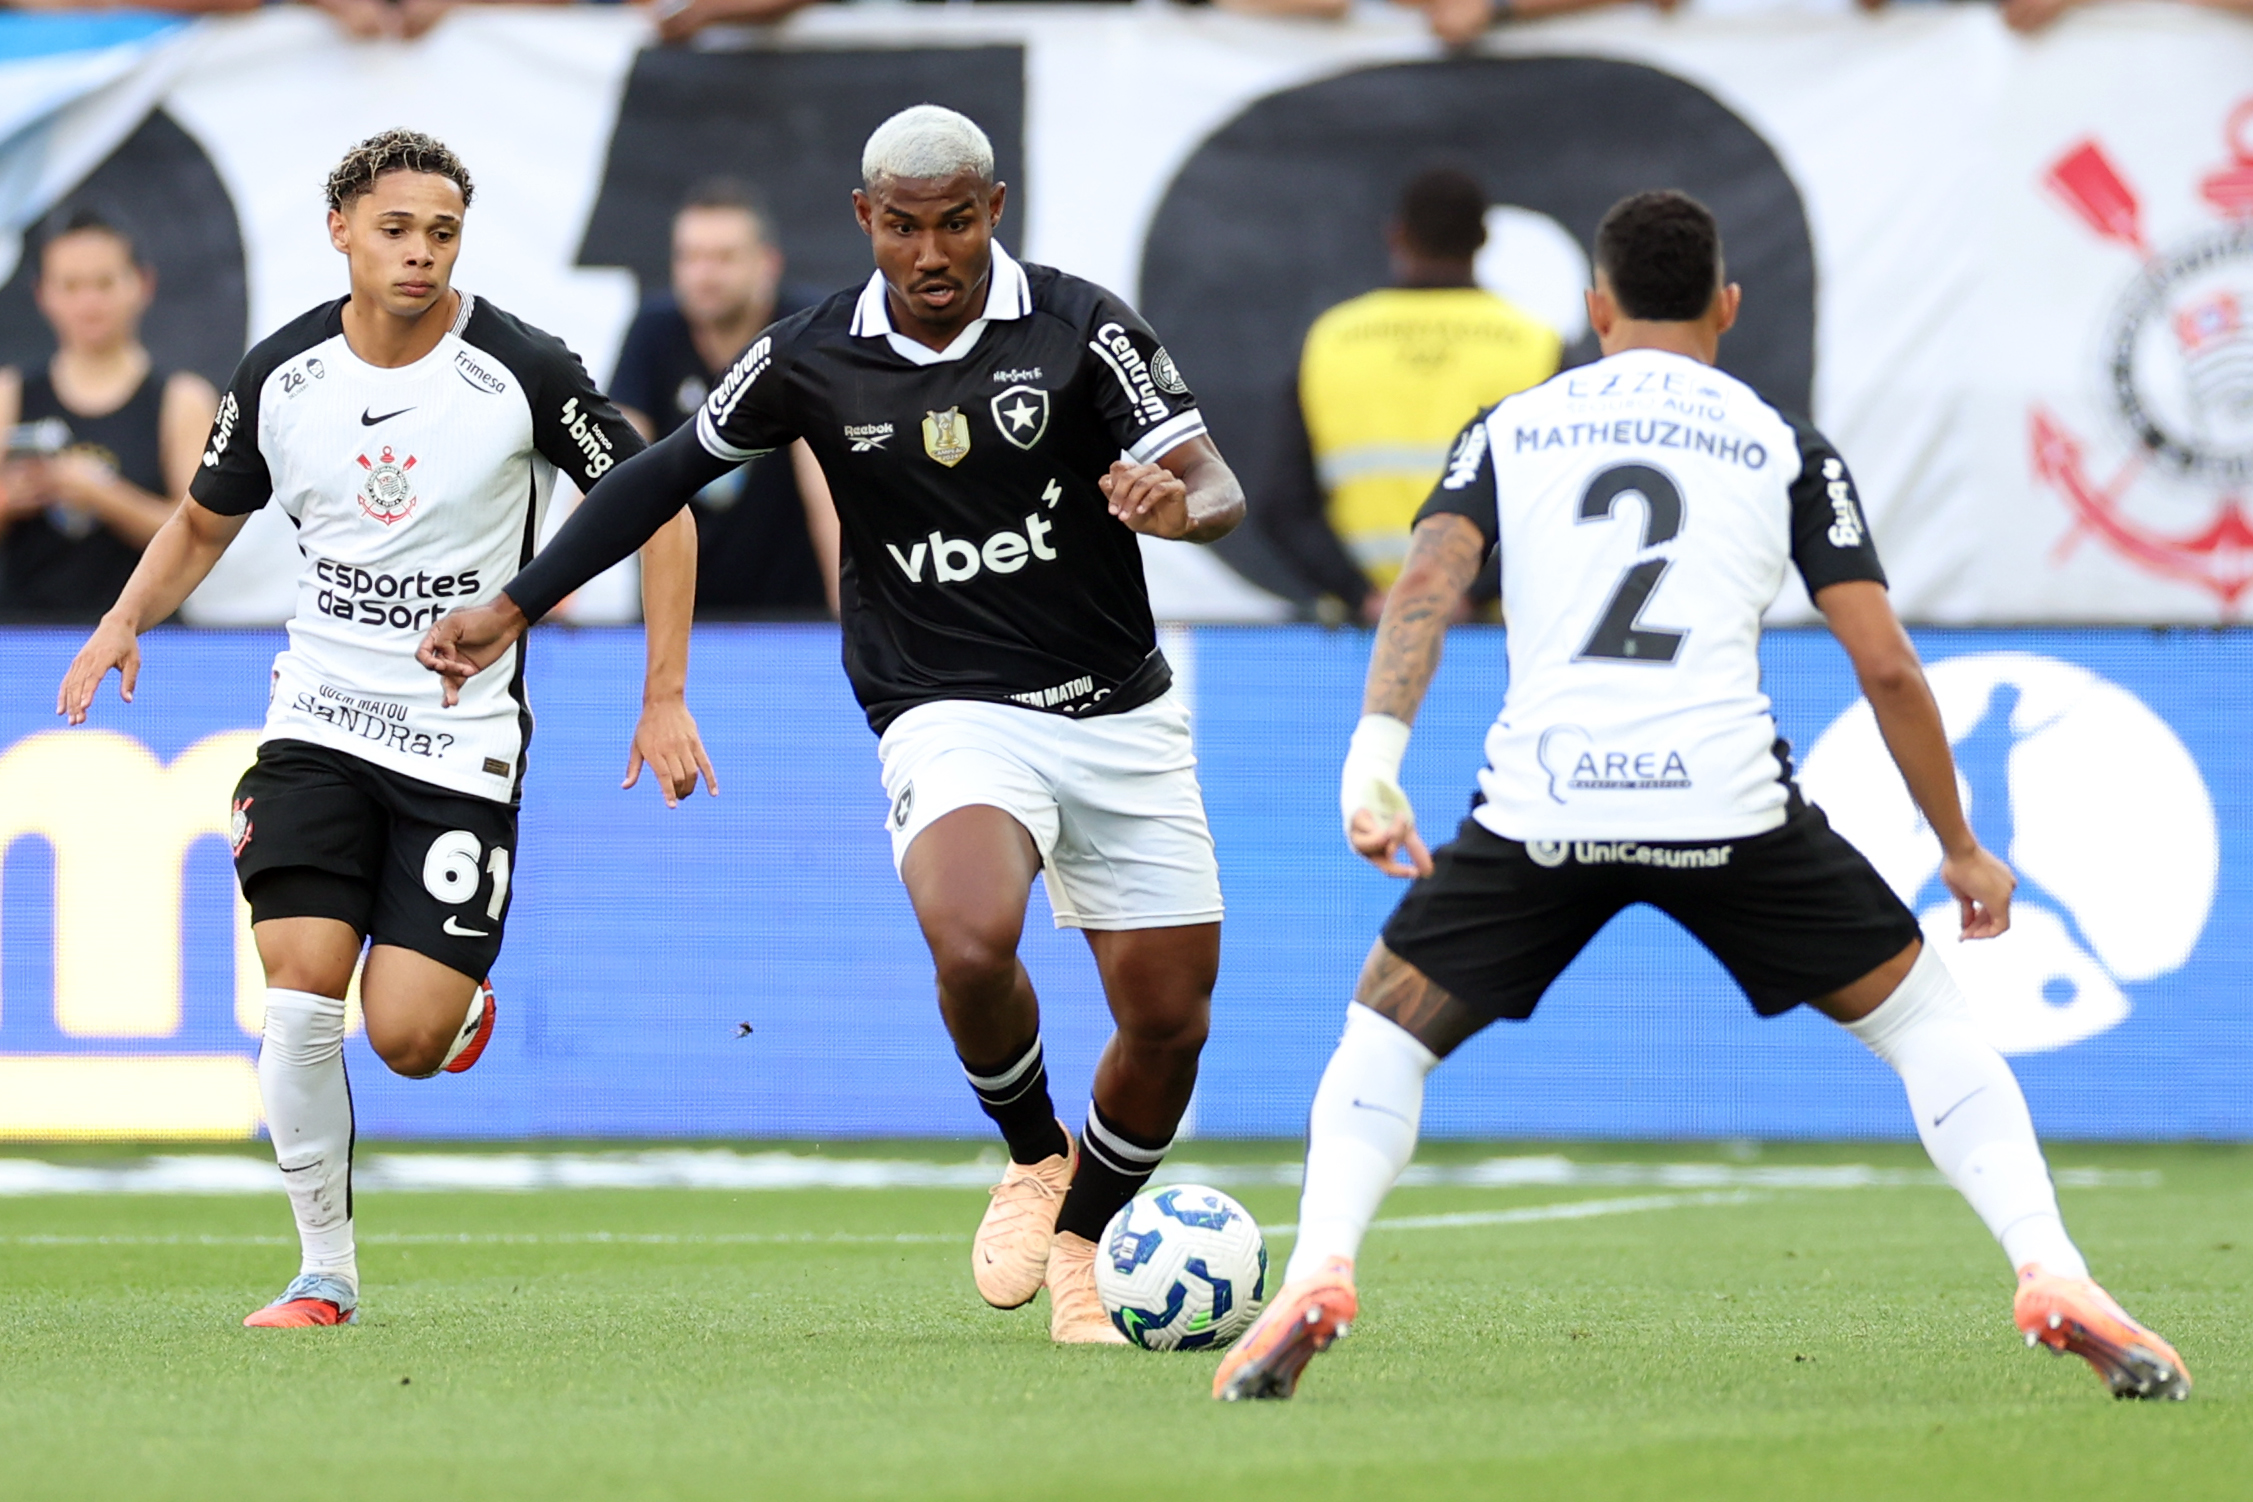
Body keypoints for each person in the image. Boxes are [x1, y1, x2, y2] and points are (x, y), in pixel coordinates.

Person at [1214, 191, 2190, 1403]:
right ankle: (2053, 1268)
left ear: (1593, 307)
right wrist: (1962, 846)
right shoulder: (1782, 441)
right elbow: (1883, 661)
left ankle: (1319, 1267)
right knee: (1928, 1026)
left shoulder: (1513, 425)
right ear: (1728, 305)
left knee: (1384, 1035)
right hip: (1726, 806)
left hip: (1545, 806)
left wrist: (1373, 759)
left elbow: (1429, 579)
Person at [419, 104, 1247, 1344]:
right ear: (866, 220)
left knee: (1169, 1016)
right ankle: (1033, 1152)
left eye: (956, 223)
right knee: (971, 939)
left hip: (1118, 707)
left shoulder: (1084, 324)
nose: (931, 253)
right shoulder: (807, 353)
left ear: (994, 211)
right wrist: (517, 600)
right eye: (905, 227)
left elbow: (1215, 478)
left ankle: (1082, 1234)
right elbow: (659, 472)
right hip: (946, 705)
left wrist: (1178, 509)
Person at [54, 129, 710, 1330]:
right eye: (397, 229)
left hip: (459, 741)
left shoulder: (521, 368)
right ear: (342, 230)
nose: (419, 254)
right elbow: (202, 523)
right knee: (301, 993)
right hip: (316, 720)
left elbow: (662, 508)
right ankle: (323, 1271)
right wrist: (123, 618)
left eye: (443, 233)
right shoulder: (282, 373)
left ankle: (452, 1003)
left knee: (404, 1036)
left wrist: (661, 691)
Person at [1264, 168, 1559, 622]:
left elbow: (1283, 505)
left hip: (1367, 637)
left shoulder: (1332, 341)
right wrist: (1470, 595)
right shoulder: (1536, 343)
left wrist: (1362, 595)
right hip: (1492, 640)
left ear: (1396, 235)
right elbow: (1561, 502)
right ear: (1482, 239)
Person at [610, 178, 839, 617]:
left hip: (793, 626)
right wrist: (557, 590)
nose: (703, 275)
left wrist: (851, 624)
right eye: (690, 257)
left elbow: (826, 477)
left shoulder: (804, 329)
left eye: (723, 258)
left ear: (768, 263)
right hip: (676, 626)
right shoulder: (654, 331)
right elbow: (613, 461)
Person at [0, 210, 218, 623]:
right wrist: (12, 499)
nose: (88, 303)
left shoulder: (181, 400)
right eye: (70, 286)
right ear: (43, 294)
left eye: (104, 283)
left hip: (145, 636)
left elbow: (199, 539)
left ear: (142, 284)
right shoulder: (8, 395)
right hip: (23, 640)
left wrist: (102, 493)